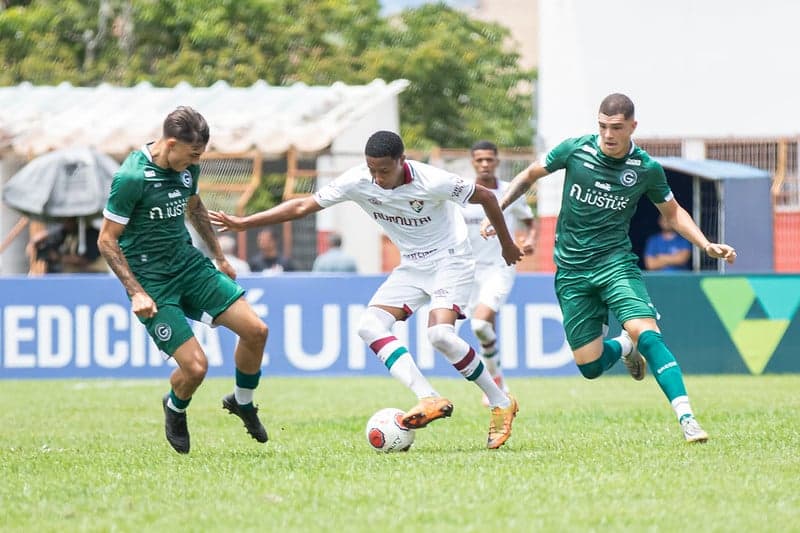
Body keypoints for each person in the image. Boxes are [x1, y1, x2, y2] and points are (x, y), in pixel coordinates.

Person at [210, 130, 524, 449]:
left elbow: (485, 196)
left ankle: (500, 402)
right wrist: (245, 223)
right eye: (371, 169)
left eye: (384, 171)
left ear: (402, 161)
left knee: (440, 336)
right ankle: (428, 397)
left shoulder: (432, 180)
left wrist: (508, 244)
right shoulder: (358, 180)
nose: (376, 178)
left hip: (450, 260)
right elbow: (303, 205)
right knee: (368, 327)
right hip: (412, 266)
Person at [486, 94, 736, 443]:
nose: (607, 134)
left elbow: (673, 212)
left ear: (632, 126)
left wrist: (705, 244)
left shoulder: (646, 168)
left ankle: (687, 418)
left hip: (615, 264)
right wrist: (499, 207)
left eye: (616, 128)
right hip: (572, 271)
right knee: (589, 367)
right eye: (602, 126)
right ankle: (623, 347)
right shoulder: (575, 150)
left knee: (646, 333)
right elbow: (530, 174)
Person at [97, 106, 270, 454]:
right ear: (170, 143)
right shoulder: (132, 178)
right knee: (195, 368)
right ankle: (175, 407)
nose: (194, 161)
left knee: (256, 331)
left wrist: (220, 257)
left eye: (199, 155)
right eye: (191, 154)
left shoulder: (188, 166)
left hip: (189, 266)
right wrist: (136, 293)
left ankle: (242, 401)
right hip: (153, 282)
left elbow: (195, 208)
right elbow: (106, 239)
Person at [461, 140, 536, 406]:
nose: (484, 164)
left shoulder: (509, 192)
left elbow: (529, 221)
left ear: (497, 162)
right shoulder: (463, 194)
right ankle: (498, 382)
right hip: (469, 272)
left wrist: (529, 239)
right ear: (473, 162)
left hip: (500, 267)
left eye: (489, 160)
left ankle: (496, 382)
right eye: (479, 160)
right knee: (483, 330)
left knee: (480, 324)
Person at [28, 217, 108, 274]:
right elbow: (54, 236)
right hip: (73, 277)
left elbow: (85, 260)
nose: (64, 224)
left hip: (94, 276)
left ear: (75, 220)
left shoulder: (93, 234)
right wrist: (37, 240)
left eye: (67, 220)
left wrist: (58, 257)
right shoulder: (67, 233)